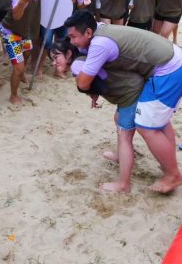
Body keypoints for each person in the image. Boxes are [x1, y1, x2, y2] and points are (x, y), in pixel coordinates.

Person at [66, 10, 182, 193]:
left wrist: (76, 69)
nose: (72, 42)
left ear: (88, 32)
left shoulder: (100, 44)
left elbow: (84, 83)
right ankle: (167, 164)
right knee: (158, 121)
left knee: (147, 126)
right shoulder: (100, 29)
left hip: (170, 70)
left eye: (73, 37)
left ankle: (173, 175)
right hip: (176, 60)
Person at [51, 38, 148, 193]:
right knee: (118, 120)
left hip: (129, 93)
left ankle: (124, 184)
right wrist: (93, 94)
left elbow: (99, 80)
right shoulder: (83, 60)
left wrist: (90, 90)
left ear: (68, 54)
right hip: (128, 90)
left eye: (56, 57)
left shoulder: (77, 65)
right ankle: (120, 156)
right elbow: (98, 77)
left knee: (125, 135)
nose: (53, 62)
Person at [0, 0, 44, 104]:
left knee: (27, 52)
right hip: (11, 33)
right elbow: (16, 16)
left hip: (24, 32)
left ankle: (22, 73)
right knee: (18, 67)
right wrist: (23, 1)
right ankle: (13, 95)